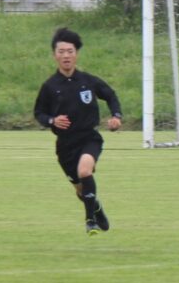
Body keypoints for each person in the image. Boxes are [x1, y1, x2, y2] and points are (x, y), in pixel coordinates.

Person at [33, 27, 122, 236]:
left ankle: (90, 221)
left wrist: (116, 116)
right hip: (65, 145)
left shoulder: (88, 81)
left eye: (70, 51)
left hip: (89, 138)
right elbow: (39, 113)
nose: (66, 55)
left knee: (85, 171)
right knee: (81, 189)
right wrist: (52, 120)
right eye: (61, 51)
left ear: (76, 54)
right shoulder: (50, 86)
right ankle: (95, 207)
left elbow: (110, 95)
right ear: (55, 55)